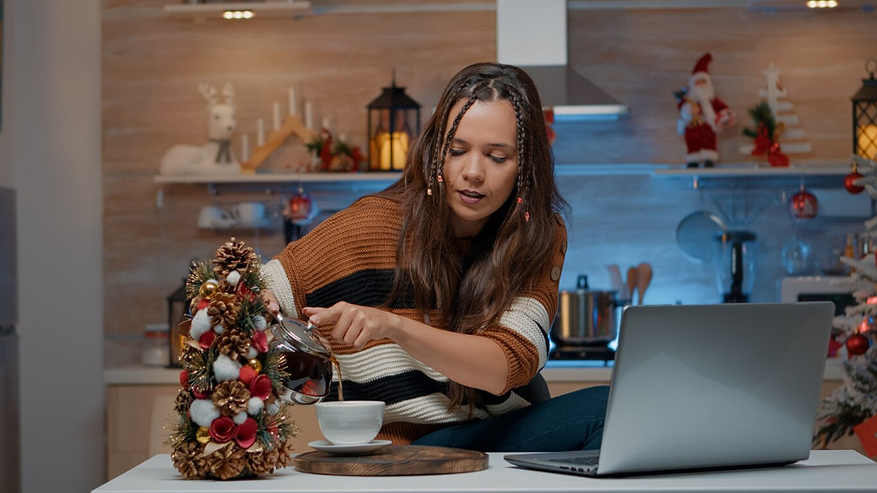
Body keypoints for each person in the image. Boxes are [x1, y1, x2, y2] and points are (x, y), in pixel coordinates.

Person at [261, 62, 609, 452]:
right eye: (457, 150)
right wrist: (261, 309)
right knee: (603, 411)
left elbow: (502, 367)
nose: (472, 172)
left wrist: (392, 326)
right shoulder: (368, 226)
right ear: (435, 153)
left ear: (525, 167)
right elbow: (251, 296)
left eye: (497, 157)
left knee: (614, 411)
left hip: (505, 435)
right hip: (408, 453)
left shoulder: (539, 235)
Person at [676, 53, 735, 168]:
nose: (701, 85)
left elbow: (725, 110)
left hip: (708, 126)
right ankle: (693, 160)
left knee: (709, 141)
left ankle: (709, 159)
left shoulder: (713, 101)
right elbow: (681, 109)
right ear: (693, 85)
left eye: (703, 82)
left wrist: (726, 117)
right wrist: (689, 109)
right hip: (692, 126)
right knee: (692, 142)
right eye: (698, 82)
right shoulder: (689, 101)